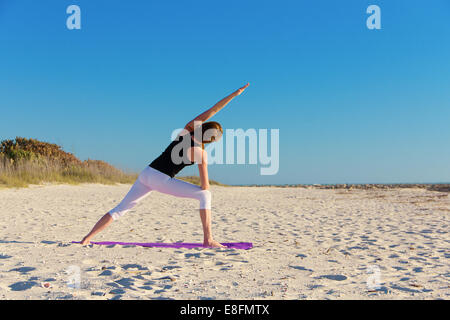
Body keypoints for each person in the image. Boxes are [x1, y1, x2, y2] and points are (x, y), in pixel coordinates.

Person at [80, 83, 250, 248]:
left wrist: (235, 94)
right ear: (211, 140)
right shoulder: (201, 153)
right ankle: (208, 239)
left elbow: (212, 110)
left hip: (147, 173)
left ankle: (87, 238)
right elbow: (205, 186)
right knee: (206, 196)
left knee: (120, 209)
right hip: (160, 179)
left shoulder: (187, 129)